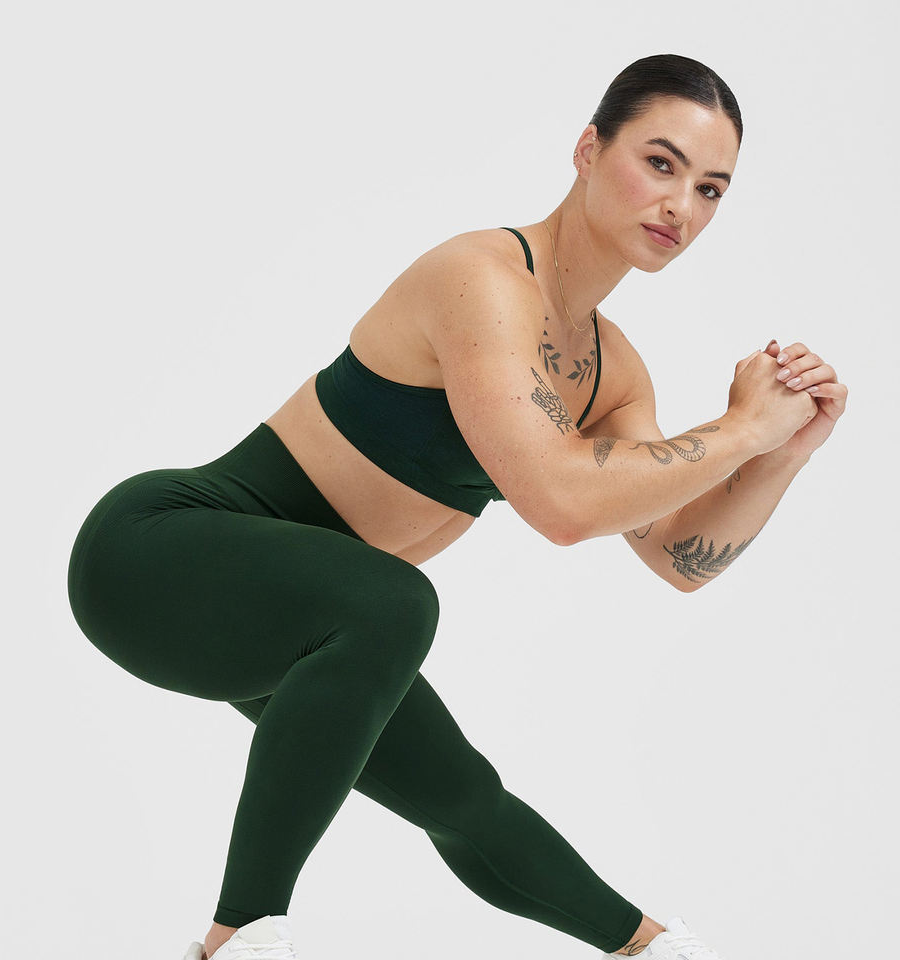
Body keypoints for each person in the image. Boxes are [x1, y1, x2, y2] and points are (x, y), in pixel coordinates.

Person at [66, 53, 847, 960]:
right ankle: (237, 938)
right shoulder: (482, 280)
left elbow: (677, 555)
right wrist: (740, 428)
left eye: (710, 189)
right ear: (588, 150)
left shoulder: (615, 372)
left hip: (306, 621)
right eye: (661, 163)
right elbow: (560, 503)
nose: (682, 205)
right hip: (153, 555)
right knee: (397, 602)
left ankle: (652, 949)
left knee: (463, 798)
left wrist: (782, 451)